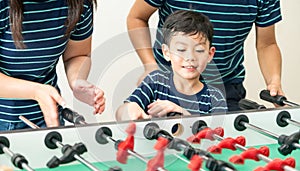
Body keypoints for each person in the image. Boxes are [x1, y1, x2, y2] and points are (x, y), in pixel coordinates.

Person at [127, 0, 283, 111]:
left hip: (224, 87)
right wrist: (150, 65)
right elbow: (137, 18)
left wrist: (274, 80)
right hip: (169, 85)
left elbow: (267, 44)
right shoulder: (154, 85)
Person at [0, 0, 105, 131]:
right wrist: (36, 91)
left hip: (49, 117)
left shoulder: (79, 3)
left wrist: (77, 81)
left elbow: (77, 55)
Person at [116, 10, 227, 121]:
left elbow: (217, 134)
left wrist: (182, 112)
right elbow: (120, 114)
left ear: (210, 54)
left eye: (199, 50)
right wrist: (130, 108)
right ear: (166, 52)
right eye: (181, 49)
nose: (190, 57)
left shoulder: (215, 98)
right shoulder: (155, 82)